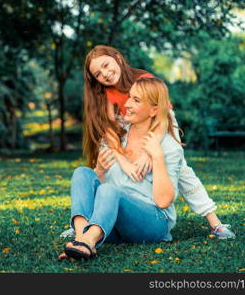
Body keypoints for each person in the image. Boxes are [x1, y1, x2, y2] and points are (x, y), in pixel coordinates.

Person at [60, 45, 235, 240]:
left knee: (182, 171)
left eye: (106, 66)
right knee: (103, 166)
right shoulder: (106, 93)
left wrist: (148, 151)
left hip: (161, 124)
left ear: (117, 57)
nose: (106, 74)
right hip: (130, 127)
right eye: (98, 74)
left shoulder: (143, 80)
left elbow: (162, 115)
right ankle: (85, 225)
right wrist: (122, 158)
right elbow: (109, 128)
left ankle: (215, 222)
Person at [60, 78, 183, 260]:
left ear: (154, 110)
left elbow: (164, 202)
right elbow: (101, 192)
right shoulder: (117, 136)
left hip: (152, 223)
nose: (127, 104)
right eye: (129, 98)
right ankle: (81, 239)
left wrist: (157, 158)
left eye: (136, 100)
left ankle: (87, 240)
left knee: (111, 190)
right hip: (112, 224)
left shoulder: (169, 147)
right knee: (83, 173)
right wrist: (100, 171)